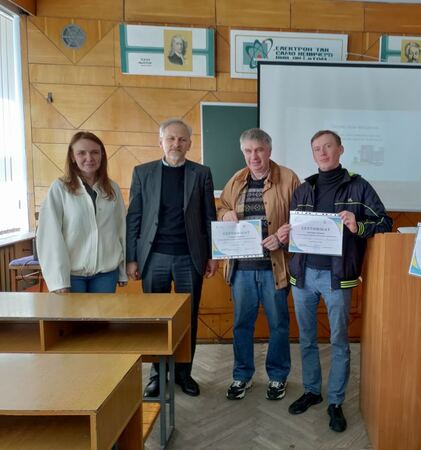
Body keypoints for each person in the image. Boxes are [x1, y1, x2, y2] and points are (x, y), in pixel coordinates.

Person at [280, 130, 392, 432]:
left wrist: (358, 226)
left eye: (328, 146)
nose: (323, 152)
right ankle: (312, 391)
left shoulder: (359, 186)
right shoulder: (305, 188)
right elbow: (295, 228)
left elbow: (384, 222)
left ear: (340, 149)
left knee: (339, 341)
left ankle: (335, 401)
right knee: (306, 339)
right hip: (303, 275)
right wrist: (286, 234)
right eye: (317, 148)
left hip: (337, 277)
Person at [126, 118, 217, 397]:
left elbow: (209, 216)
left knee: (188, 318)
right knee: (155, 319)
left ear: (190, 144)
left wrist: (212, 255)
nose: (176, 144)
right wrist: (131, 258)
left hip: (190, 257)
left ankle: (183, 373)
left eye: (182, 139)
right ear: (161, 142)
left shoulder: (201, 173)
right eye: (171, 139)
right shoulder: (142, 172)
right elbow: (134, 217)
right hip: (153, 257)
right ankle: (157, 375)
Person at [218, 128, 300, 401]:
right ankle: (242, 375)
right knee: (242, 324)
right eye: (248, 151)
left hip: (274, 268)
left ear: (269, 150)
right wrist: (225, 213)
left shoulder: (288, 178)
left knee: (278, 324)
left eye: (259, 150)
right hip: (241, 269)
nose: (254, 156)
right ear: (243, 152)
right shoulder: (235, 180)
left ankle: (277, 376)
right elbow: (221, 207)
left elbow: (301, 217)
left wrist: (282, 236)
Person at [37, 131, 127, 293]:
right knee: (74, 312)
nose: (89, 158)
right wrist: (58, 280)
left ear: (102, 155)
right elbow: (50, 235)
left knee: (103, 312)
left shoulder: (112, 188)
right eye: (81, 153)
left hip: (106, 274)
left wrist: (122, 270)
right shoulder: (60, 188)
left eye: (95, 152)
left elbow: (121, 230)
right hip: (71, 275)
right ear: (72, 156)